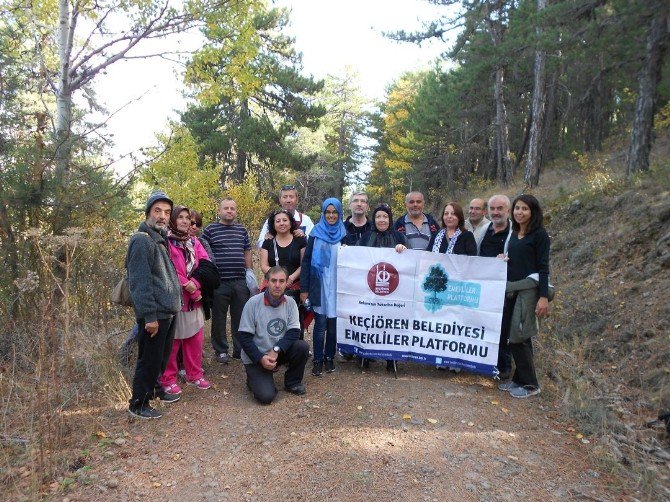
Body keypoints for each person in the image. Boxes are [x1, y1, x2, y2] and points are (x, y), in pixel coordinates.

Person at [126, 190, 182, 419]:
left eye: (167, 212)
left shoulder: (160, 239)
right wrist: (149, 316)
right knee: (148, 360)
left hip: (167, 311)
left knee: (160, 357)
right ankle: (138, 404)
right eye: (157, 211)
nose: (162, 216)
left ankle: (155, 390)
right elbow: (140, 283)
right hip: (154, 314)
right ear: (148, 212)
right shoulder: (141, 240)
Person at [497, 194, 550, 399]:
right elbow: (515, 261)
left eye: (524, 209)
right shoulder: (514, 233)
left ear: (533, 212)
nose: (519, 212)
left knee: (519, 336)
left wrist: (543, 297)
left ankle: (531, 384)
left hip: (529, 291)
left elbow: (543, 268)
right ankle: (519, 379)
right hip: (512, 290)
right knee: (513, 336)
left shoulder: (539, 235)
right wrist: (503, 260)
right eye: (517, 208)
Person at [158, 205, 212, 394]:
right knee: (172, 343)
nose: (184, 221)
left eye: (187, 218)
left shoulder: (194, 242)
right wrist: (185, 284)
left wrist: (195, 283)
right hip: (174, 301)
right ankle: (168, 378)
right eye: (180, 217)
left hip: (194, 300)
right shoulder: (165, 242)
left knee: (194, 339)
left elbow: (205, 264)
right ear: (173, 219)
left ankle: (194, 375)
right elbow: (166, 268)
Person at [238, 266, 310, 404]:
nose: (277, 285)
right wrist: (260, 358)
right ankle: (253, 378)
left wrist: (276, 350)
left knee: (301, 347)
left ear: (286, 283)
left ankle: (292, 382)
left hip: (276, 352)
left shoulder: (291, 303)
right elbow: (244, 337)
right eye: (274, 281)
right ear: (266, 282)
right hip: (257, 354)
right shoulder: (252, 303)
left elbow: (294, 332)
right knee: (266, 397)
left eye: (282, 281)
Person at [355, 204, 407, 371]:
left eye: (385, 216)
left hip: (393, 291)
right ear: (374, 219)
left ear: (390, 218)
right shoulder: (366, 237)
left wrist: (403, 250)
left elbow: (409, 261)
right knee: (369, 322)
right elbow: (355, 257)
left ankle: (392, 358)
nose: (382, 220)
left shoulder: (399, 237)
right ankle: (366, 355)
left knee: (391, 323)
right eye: (378, 217)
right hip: (370, 289)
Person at [202, 198, 252, 363]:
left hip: (240, 281)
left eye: (232, 208)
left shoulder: (241, 230)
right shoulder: (210, 230)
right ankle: (221, 350)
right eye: (226, 208)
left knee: (240, 317)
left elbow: (247, 252)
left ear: (236, 211)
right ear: (219, 211)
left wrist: (250, 272)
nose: (229, 211)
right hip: (219, 282)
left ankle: (239, 350)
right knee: (219, 318)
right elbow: (203, 253)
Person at [300, 197, 346, 376]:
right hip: (319, 284)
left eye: (335, 212)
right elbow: (306, 262)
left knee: (333, 325)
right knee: (320, 325)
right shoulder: (315, 233)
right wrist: (304, 289)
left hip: (337, 285)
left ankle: (329, 357)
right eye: (328, 212)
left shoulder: (344, 233)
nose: (331, 215)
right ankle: (317, 359)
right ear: (323, 213)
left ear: (340, 213)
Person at [478, 194, 513, 379]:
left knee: (503, 327)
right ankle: (485, 363)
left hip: (505, 290)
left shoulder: (514, 233)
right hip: (484, 289)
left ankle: (505, 367)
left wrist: (507, 260)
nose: (496, 212)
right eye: (492, 209)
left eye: (500, 208)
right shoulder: (484, 230)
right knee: (484, 325)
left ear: (508, 210)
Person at [259, 209, 307, 334]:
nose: (282, 223)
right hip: (273, 285)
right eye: (278, 221)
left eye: (285, 220)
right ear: (273, 224)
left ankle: (296, 347)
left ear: (291, 223)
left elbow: (304, 264)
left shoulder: (300, 240)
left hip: (294, 285)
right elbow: (263, 265)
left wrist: (290, 278)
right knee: (272, 319)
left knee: (294, 319)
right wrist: (279, 279)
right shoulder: (268, 241)